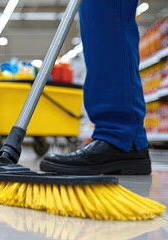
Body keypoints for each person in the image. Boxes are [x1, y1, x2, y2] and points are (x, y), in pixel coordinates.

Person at [39, 0, 151, 175]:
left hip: (123, 138)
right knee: (96, 15)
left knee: (105, 10)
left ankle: (121, 137)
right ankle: (117, 136)